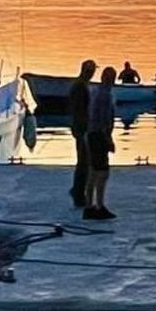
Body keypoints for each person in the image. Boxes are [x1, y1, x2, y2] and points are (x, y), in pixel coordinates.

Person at [84, 65, 118, 220]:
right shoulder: (105, 95)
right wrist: (109, 140)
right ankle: (99, 206)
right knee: (102, 172)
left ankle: (89, 206)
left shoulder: (96, 92)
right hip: (99, 136)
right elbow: (104, 121)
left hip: (92, 134)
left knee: (92, 171)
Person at [66, 58, 95, 210]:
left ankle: (78, 190)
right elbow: (79, 111)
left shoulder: (81, 85)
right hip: (81, 129)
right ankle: (78, 193)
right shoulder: (80, 87)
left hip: (81, 128)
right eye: (91, 71)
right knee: (84, 162)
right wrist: (84, 131)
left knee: (84, 161)